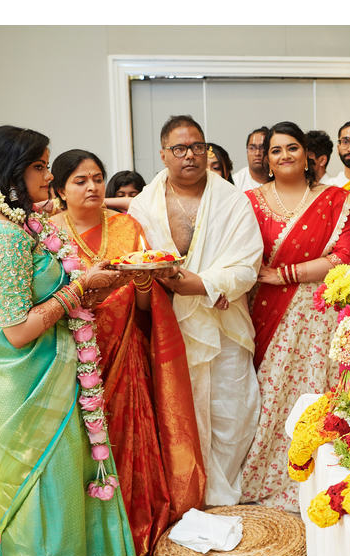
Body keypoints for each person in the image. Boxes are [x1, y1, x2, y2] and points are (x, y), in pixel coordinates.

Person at [0, 125, 141, 556]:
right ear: (11, 172)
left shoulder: (25, 226)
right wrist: (79, 290)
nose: (47, 174)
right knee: (43, 498)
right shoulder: (2, 237)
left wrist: (84, 285)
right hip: (23, 382)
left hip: (50, 373)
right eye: (40, 166)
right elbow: (17, 331)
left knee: (63, 489)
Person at [48, 149, 206, 556]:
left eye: (97, 178)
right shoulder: (46, 234)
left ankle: (129, 529)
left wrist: (140, 286)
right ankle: (85, 543)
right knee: (77, 449)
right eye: (80, 180)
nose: (93, 187)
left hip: (124, 347)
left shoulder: (126, 226)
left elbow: (144, 305)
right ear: (60, 189)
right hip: (66, 356)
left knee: (126, 439)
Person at [128, 115, 263, 507]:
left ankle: (223, 492)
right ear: (163, 154)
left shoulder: (232, 200)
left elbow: (247, 263)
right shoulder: (143, 205)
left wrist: (203, 284)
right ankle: (190, 492)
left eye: (198, 147)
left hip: (223, 319)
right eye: (180, 149)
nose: (190, 155)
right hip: (170, 322)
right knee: (180, 410)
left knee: (233, 407)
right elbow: (135, 258)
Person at [239, 121, 350, 510]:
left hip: (320, 313)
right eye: (276, 150)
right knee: (269, 394)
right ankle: (264, 476)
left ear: (308, 155)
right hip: (267, 312)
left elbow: (345, 257)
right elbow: (240, 256)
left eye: (292, 148)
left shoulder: (336, 198)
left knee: (316, 390)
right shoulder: (251, 201)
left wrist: (286, 274)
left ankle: (316, 476)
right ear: (266, 159)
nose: (284, 155)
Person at [232, 126, 270, 191]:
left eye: (262, 148)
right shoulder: (235, 182)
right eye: (252, 148)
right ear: (247, 151)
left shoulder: (280, 177)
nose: (257, 153)